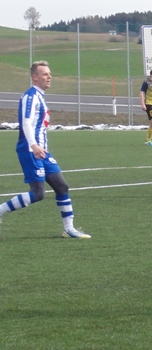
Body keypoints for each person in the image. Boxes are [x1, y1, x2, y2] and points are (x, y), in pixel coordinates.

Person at [0, 61, 91, 238]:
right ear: (35, 77)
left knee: (62, 186)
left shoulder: (40, 96)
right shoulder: (31, 96)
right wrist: (33, 145)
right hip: (30, 150)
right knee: (38, 193)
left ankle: (69, 229)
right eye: (45, 74)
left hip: (41, 151)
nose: (49, 77)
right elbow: (26, 122)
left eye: (49, 74)